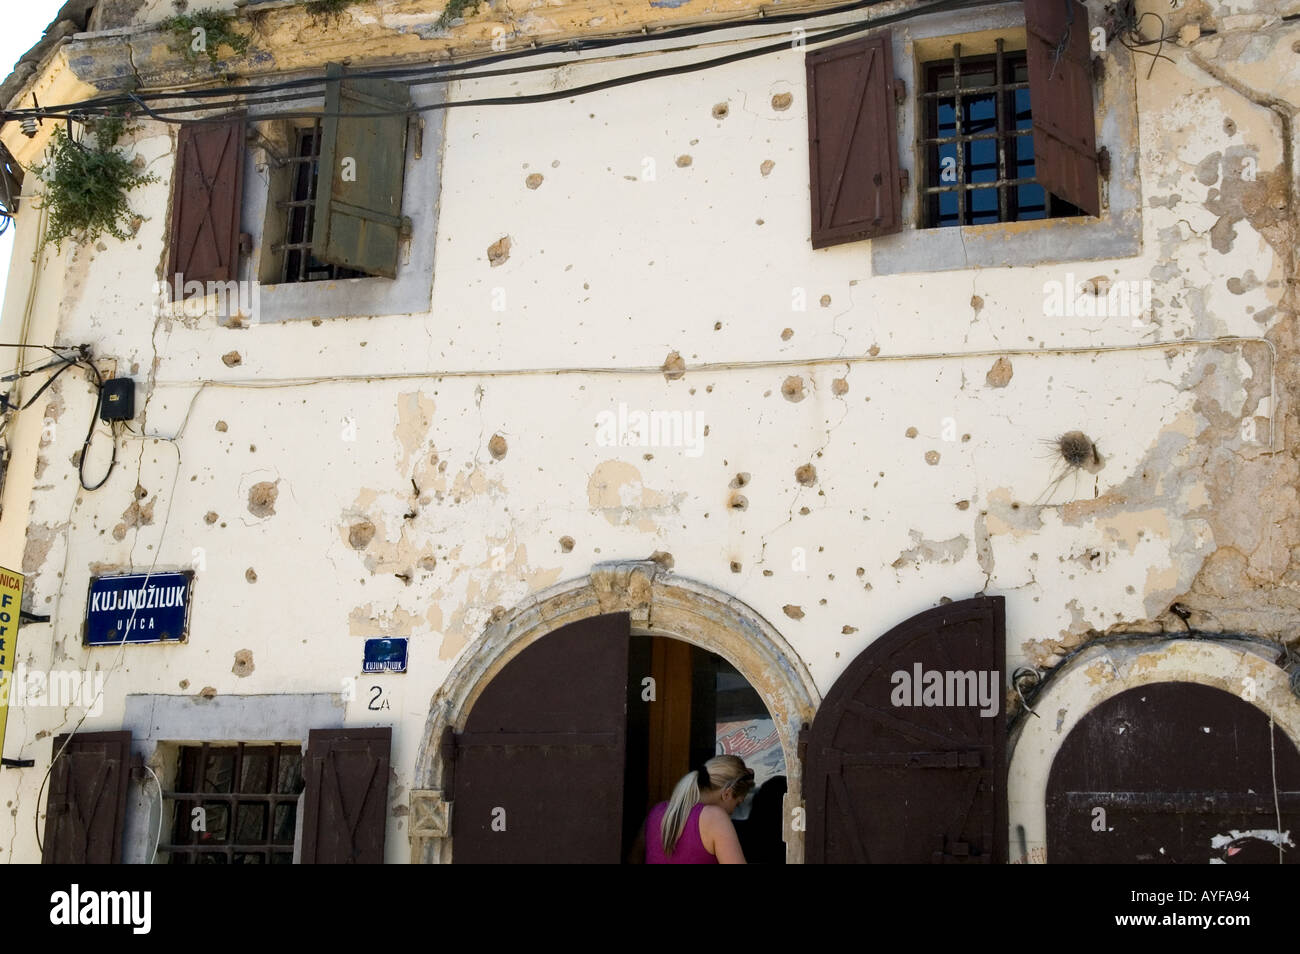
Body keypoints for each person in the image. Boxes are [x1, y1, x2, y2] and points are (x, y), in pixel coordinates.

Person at [644, 755, 754, 864]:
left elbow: (634, 858)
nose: (732, 812)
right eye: (737, 804)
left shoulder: (656, 811)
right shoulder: (715, 818)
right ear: (727, 794)